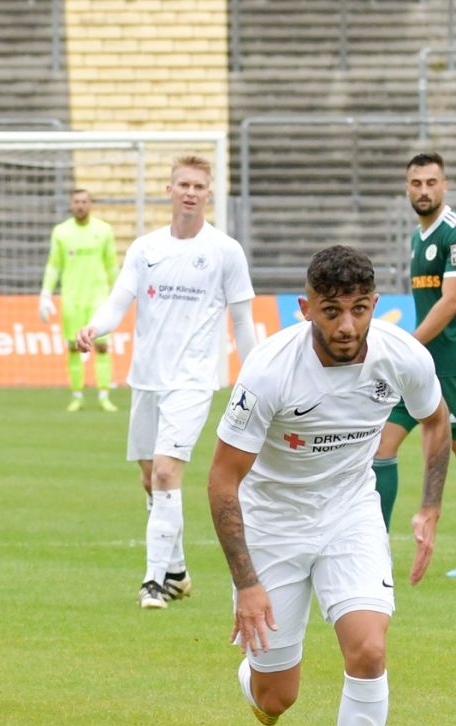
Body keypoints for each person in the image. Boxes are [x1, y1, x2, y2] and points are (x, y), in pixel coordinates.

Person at [208, 245, 452, 726]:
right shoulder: (268, 370)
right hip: (274, 526)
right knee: (275, 700)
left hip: (350, 514)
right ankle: (254, 677)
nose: (347, 326)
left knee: (370, 650)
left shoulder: (403, 356)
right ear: (306, 308)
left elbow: (436, 421)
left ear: (376, 305)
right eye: (333, 310)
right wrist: (248, 584)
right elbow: (221, 481)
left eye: (360, 309)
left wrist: (428, 507)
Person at [80, 154, 257, 609]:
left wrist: (255, 375)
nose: (191, 193)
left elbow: (242, 320)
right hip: (147, 380)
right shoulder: (145, 248)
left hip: (194, 380)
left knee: (164, 473)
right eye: (184, 184)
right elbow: (119, 301)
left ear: (209, 193)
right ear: (169, 189)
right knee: (149, 480)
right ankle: (177, 571)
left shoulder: (225, 251)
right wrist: (94, 328)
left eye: (199, 186)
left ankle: (153, 581)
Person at [372, 152, 456, 578]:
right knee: (381, 446)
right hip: (421, 366)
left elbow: (451, 302)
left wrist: (404, 344)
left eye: (431, 182)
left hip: (455, 364)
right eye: (416, 183)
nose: (423, 190)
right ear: (407, 188)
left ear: (445, 186)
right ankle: (375, 549)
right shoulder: (417, 237)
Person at [40, 187, 119, 412]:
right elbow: (54, 266)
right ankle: (77, 395)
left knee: (102, 346)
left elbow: (111, 264)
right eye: (77, 201)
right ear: (71, 204)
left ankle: (104, 396)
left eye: (84, 201)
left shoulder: (104, 230)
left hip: (98, 297)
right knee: (74, 347)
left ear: (90, 204)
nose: (81, 205)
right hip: (72, 298)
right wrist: (45, 294)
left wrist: (119, 293)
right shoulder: (61, 232)